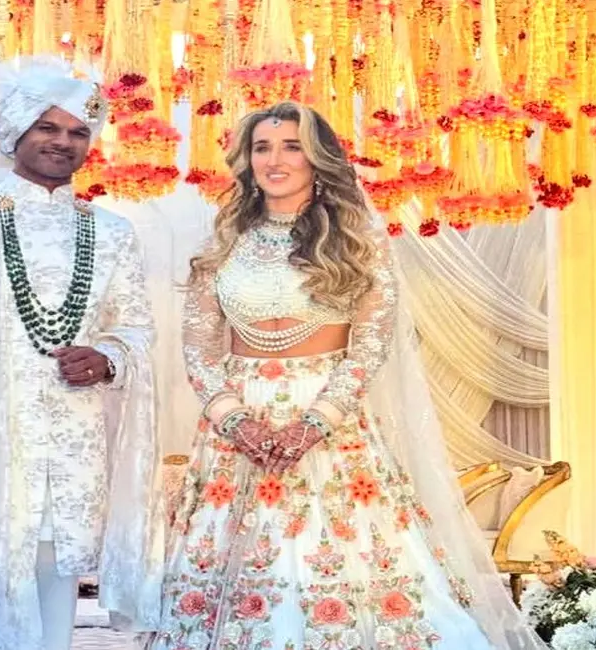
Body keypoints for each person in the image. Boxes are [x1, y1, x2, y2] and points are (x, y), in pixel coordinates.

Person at [146, 102, 547, 649]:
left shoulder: (357, 242)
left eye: (292, 147)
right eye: (262, 148)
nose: (275, 160)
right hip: (236, 433)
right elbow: (198, 348)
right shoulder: (223, 244)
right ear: (247, 160)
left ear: (318, 159)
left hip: (331, 426)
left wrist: (315, 422)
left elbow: (370, 346)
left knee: (345, 562)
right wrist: (236, 421)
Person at [0, 55, 163, 650]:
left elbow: (136, 329)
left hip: (68, 448)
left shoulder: (111, 231)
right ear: (15, 130)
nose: (63, 142)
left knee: (51, 589)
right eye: (48, 127)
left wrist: (107, 358)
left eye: (77, 132)